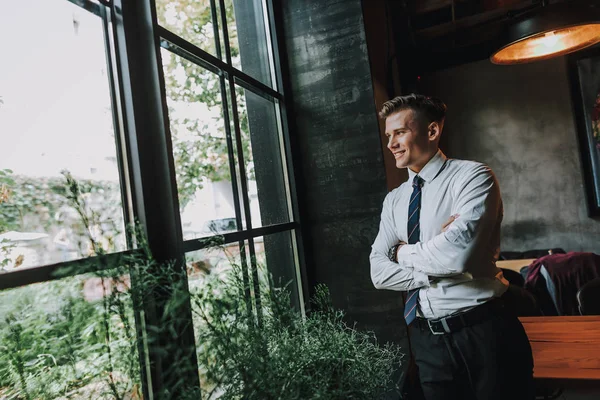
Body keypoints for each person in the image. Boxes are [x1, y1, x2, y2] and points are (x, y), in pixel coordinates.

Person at [369, 94, 534, 400]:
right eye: (388, 135)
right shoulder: (394, 200)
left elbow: (456, 257)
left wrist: (400, 253)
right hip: (427, 341)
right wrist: (431, 269)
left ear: (431, 132)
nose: (391, 143)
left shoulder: (473, 177)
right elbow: (378, 272)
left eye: (400, 132)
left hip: (486, 331)